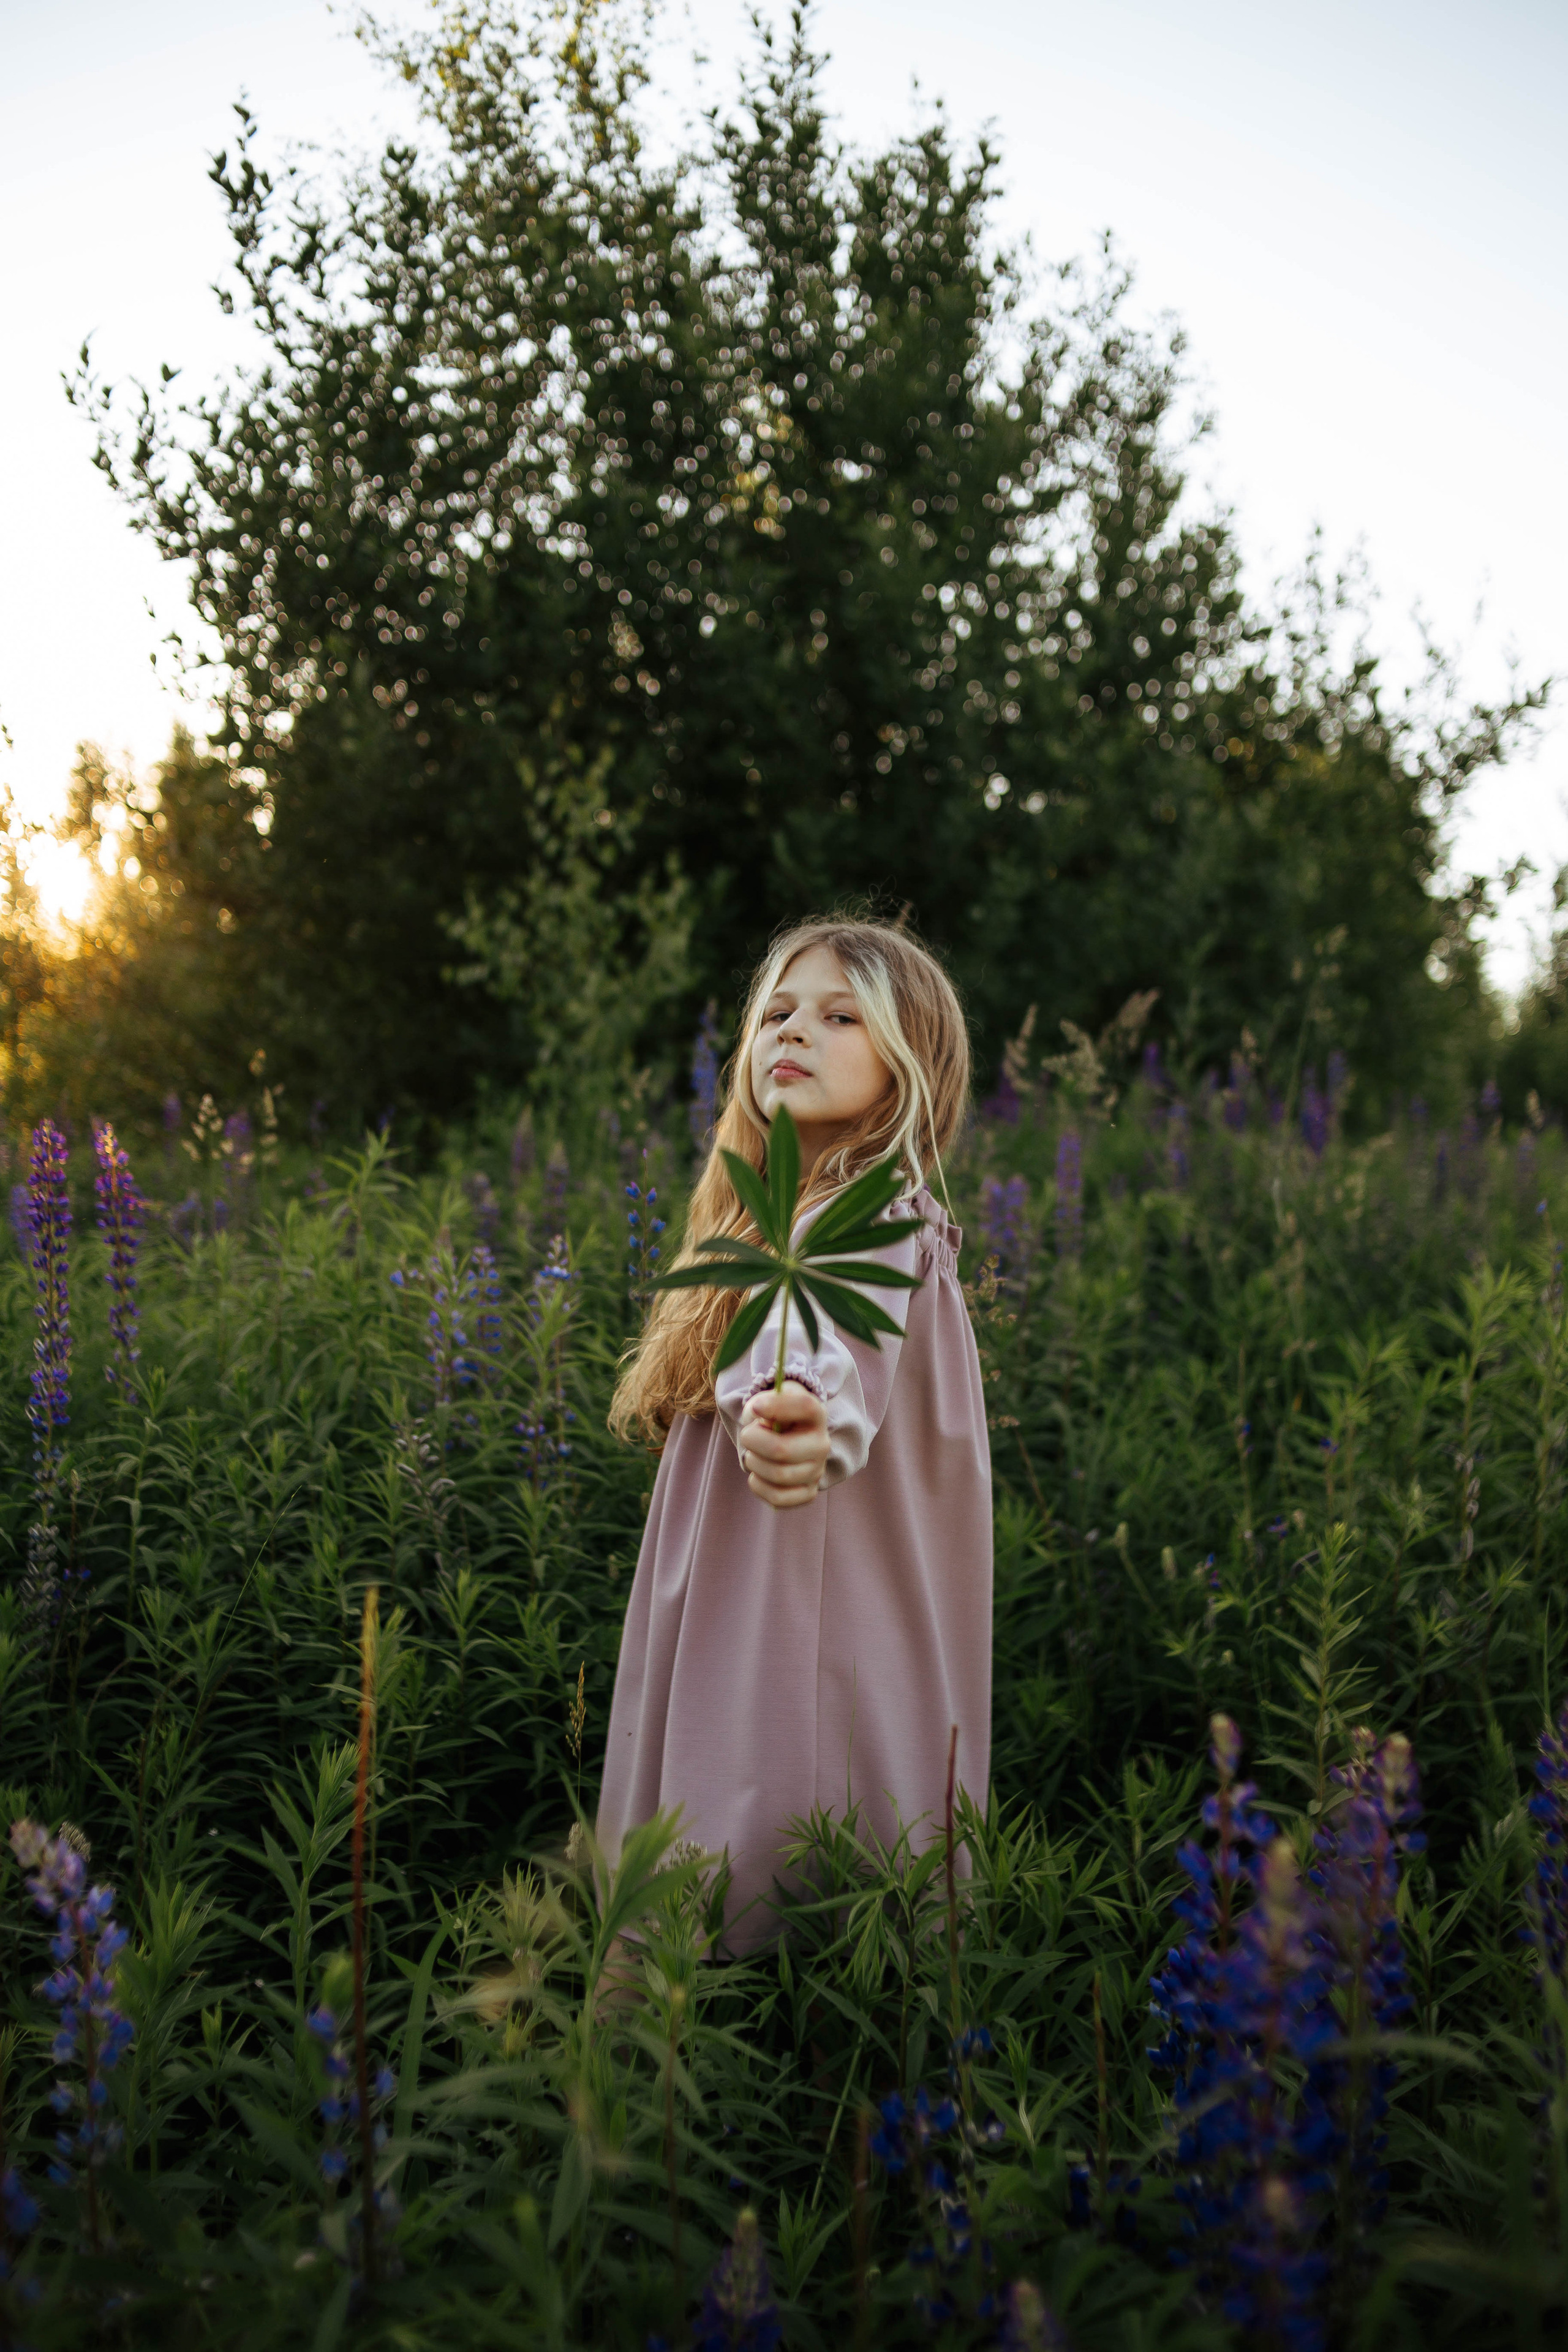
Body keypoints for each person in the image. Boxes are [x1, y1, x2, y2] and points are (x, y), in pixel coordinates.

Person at [598, 916, 993, 1953]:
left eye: (838, 1015)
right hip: (766, 1598)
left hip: (798, 1634)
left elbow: (819, 1350)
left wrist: (802, 1422)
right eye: (776, 1012)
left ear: (907, 1066)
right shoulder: (781, 1223)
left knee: (751, 1892)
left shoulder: (872, 1219)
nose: (794, 1031)